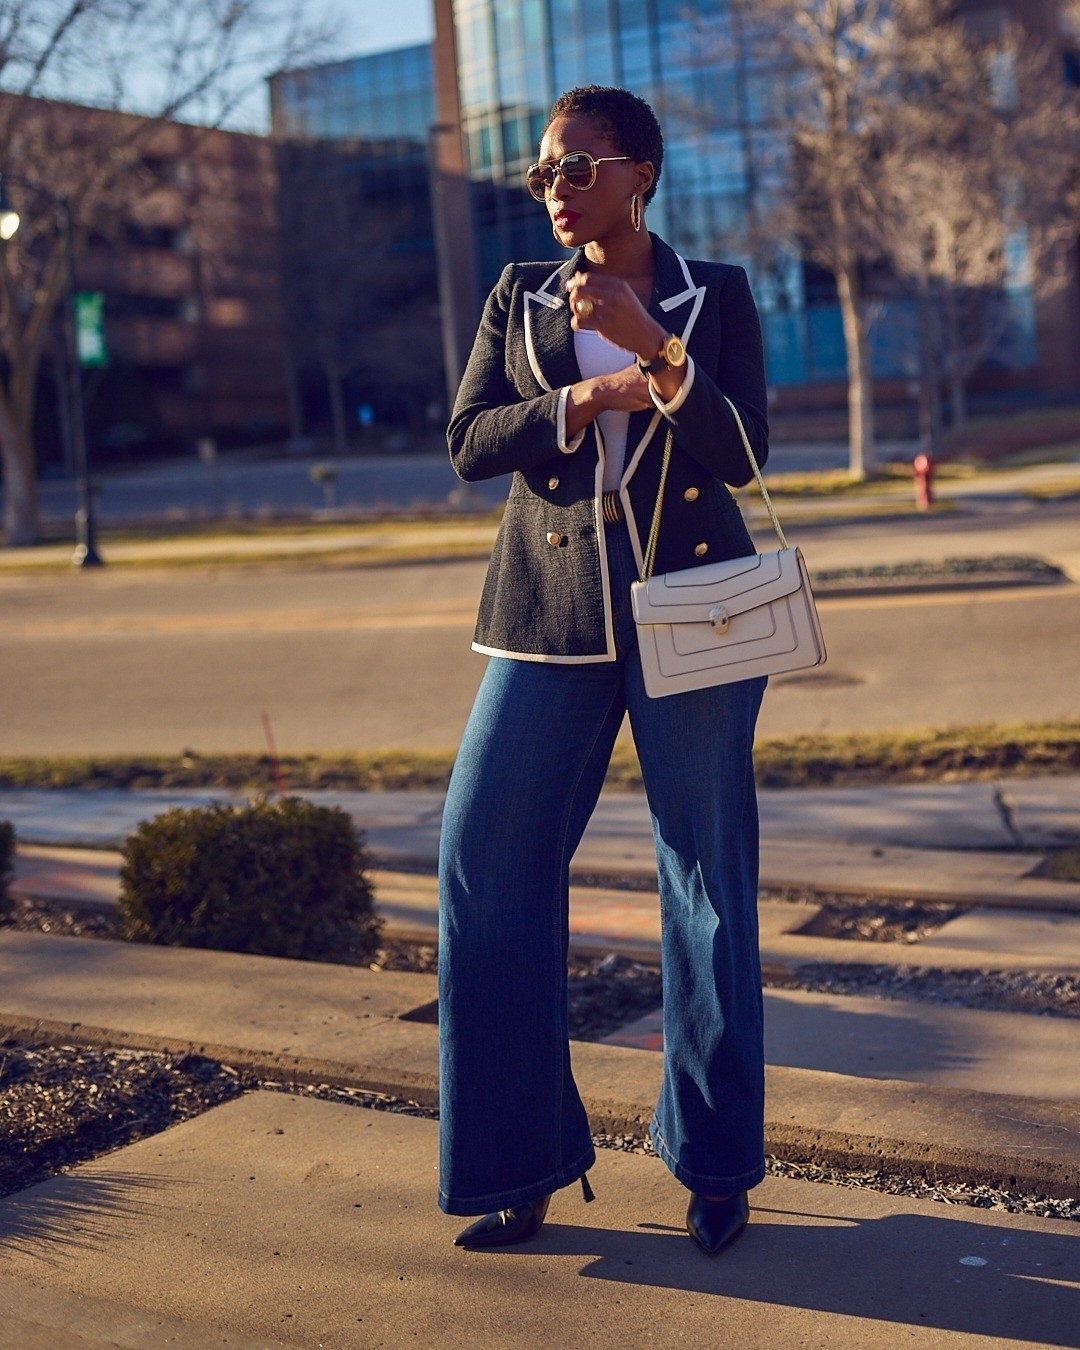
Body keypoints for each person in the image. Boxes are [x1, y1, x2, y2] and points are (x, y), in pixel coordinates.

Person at [437, 84, 771, 1258]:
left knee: (708, 885)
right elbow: (471, 441)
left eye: (577, 168)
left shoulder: (714, 293)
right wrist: (583, 395)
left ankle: (717, 1164)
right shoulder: (516, 297)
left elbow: (742, 454)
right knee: (483, 862)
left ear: (640, 173)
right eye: (542, 173)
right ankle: (517, 1160)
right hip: (546, 619)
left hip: (697, 615)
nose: (555, 189)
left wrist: (660, 355)